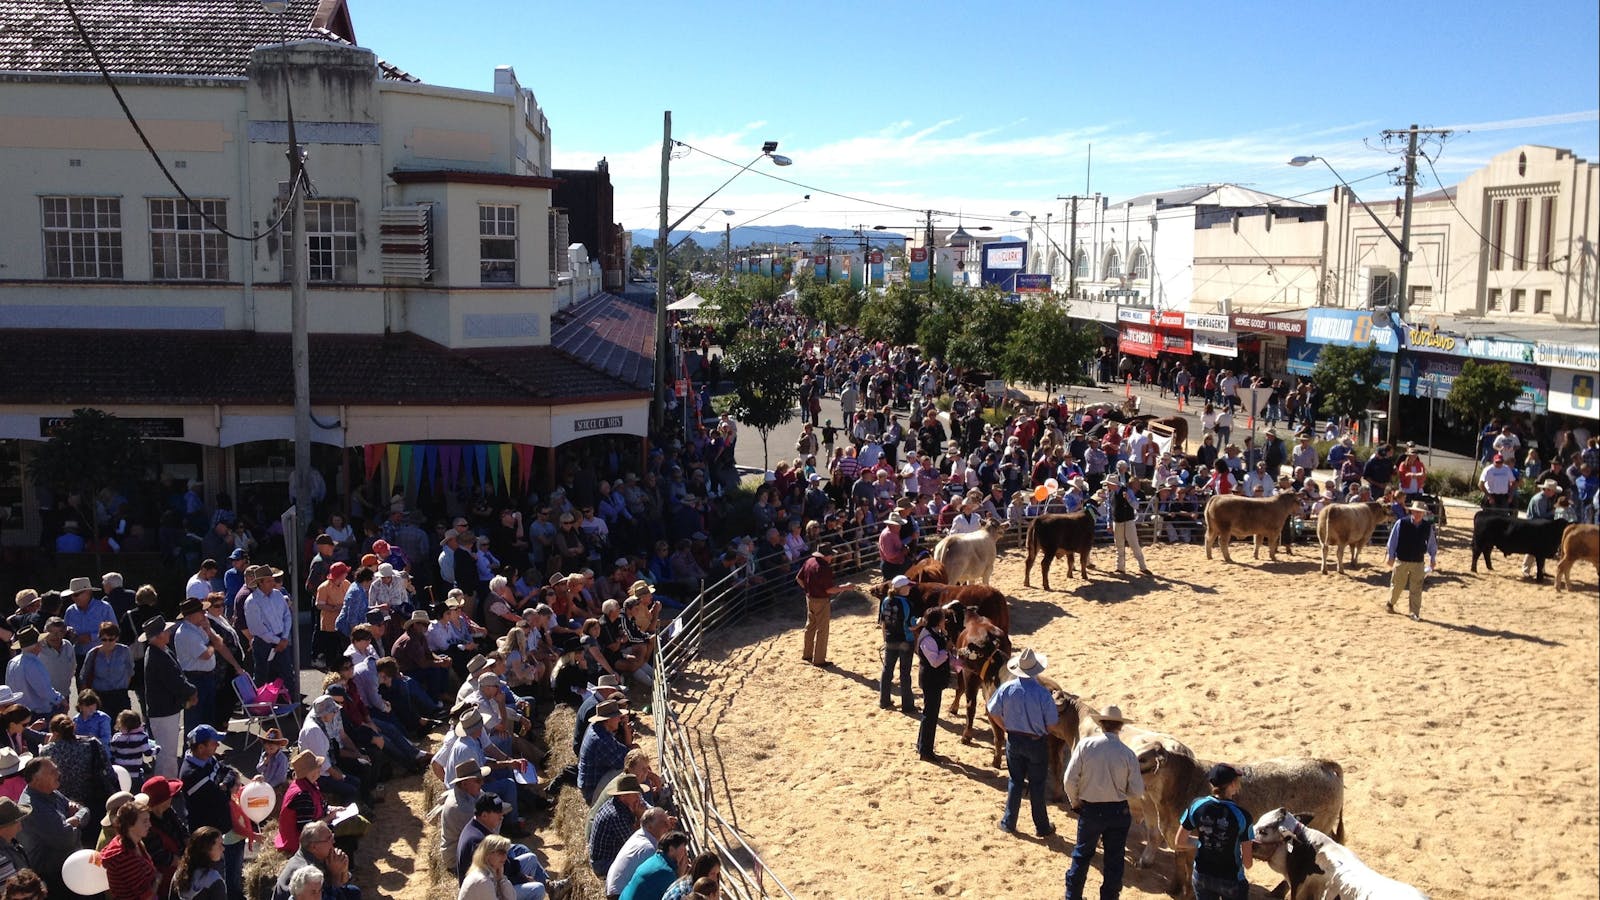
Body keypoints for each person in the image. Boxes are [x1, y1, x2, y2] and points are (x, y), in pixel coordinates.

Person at [1062, 705, 1144, 900]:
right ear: (1120, 727)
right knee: (1114, 860)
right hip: (1117, 811)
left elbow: (1069, 780)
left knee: (1082, 856)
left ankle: (1073, 896)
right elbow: (1137, 790)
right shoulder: (1128, 754)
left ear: (1101, 725)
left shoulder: (1085, 746)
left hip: (1090, 809)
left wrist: (1075, 801)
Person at [987, 648, 1058, 838]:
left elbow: (992, 710)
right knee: (1037, 784)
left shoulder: (1007, 688)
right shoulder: (1043, 694)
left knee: (1015, 781)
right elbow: (1052, 723)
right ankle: (1042, 826)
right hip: (1036, 742)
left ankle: (1009, 822)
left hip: (1015, 740)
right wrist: (1042, 732)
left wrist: (1005, 727)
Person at [179, 724, 249, 896]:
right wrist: (226, 788)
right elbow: (218, 798)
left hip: (221, 829)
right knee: (217, 877)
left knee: (229, 871)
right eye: (214, 743)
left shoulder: (209, 759)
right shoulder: (191, 774)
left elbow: (229, 771)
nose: (218, 746)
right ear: (201, 747)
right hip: (207, 838)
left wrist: (224, 785)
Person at [1176, 764, 1255, 900]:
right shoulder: (1242, 816)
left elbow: (1179, 842)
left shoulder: (1196, 805)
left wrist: (1202, 842)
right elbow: (1248, 863)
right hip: (1231, 879)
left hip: (1201, 875)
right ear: (1232, 785)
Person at [17, 757, 85, 900]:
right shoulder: (33, 807)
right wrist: (74, 822)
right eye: (52, 771)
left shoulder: (52, 793)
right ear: (36, 779)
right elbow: (66, 839)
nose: (58, 773)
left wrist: (75, 820)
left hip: (66, 870)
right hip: (53, 877)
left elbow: (84, 810)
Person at [138, 617, 194, 778]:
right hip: (163, 711)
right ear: (159, 635)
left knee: (167, 751)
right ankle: (167, 786)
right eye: (165, 630)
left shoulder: (161, 650)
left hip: (166, 709)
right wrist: (191, 691)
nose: (169, 632)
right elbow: (175, 680)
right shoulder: (158, 656)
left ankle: (167, 784)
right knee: (167, 753)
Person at [914, 606, 958, 763]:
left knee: (930, 715)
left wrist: (959, 664)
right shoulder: (927, 639)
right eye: (942, 619)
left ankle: (922, 746)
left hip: (935, 680)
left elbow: (946, 657)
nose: (945, 621)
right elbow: (935, 661)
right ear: (938, 621)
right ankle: (926, 751)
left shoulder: (936, 634)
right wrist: (946, 650)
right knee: (930, 716)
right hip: (930, 680)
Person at [795, 544, 849, 668]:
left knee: (810, 626)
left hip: (810, 598)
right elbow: (830, 589)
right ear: (826, 556)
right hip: (821, 601)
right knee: (822, 629)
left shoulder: (809, 561)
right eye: (831, 555)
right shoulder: (824, 568)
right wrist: (846, 587)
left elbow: (799, 578)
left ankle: (807, 653)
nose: (832, 557)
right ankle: (819, 659)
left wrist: (808, 590)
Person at [272, 821, 356, 900]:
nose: (333, 841)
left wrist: (343, 869)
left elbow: (344, 881)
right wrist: (336, 874)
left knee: (354, 891)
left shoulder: (316, 857)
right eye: (329, 838)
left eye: (332, 836)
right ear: (314, 847)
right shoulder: (308, 871)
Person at [1385, 501, 1438, 621]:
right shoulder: (1401, 523)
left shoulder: (1427, 527)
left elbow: (1431, 544)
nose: (1418, 514)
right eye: (1416, 511)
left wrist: (1433, 558)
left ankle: (1414, 612)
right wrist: (1391, 556)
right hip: (1402, 559)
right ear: (1412, 511)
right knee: (1398, 585)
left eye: (1420, 512)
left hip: (1418, 561)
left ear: (1423, 513)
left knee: (1417, 588)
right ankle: (1390, 603)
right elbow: (1392, 541)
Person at [606, 807, 675, 898]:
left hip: (614, 889)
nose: (668, 826)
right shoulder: (649, 849)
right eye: (664, 823)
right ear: (650, 826)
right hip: (619, 894)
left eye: (668, 822)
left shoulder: (640, 835)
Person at [101, 801, 159, 900]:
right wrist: (158, 879)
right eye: (144, 821)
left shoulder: (136, 842)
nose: (149, 825)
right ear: (130, 825)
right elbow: (146, 896)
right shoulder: (124, 858)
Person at [877, 575, 916, 713]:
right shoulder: (907, 603)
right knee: (905, 673)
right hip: (905, 641)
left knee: (887, 670)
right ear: (901, 588)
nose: (910, 588)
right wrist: (921, 622)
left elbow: (883, 622)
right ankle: (908, 705)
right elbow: (911, 625)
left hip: (890, 639)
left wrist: (885, 638)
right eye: (908, 586)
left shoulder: (886, 601)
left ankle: (884, 700)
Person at [80, 621, 134, 721]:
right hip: (100, 696)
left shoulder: (124, 651)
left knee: (124, 725)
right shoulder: (93, 653)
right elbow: (84, 676)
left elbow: (130, 672)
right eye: (104, 639)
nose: (107, 642)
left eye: (111, 639)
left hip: (120, 695)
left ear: (117, 638)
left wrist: (123, 687)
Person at [619, 831, 690, 900]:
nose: (685, 853)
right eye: (683, 849)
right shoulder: (666, 872)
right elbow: (675, 895)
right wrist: (680, 875)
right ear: (671, 849)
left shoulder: (655, 859)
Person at [1109, 477, 1152, 577]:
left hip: (1128, 521)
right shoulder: (1110, 493)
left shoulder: (1127, 491)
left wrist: (1128, 499)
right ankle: (1120, 567)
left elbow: (1136, 505)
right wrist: (1109, 522)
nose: (1107, 486)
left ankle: (1142, 567)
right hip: (1117, 521)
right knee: (1119, 545)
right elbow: (1109, 508)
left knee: (1134, 544)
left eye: (1109, 484)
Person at [173, 827, 229, 900]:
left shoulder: (179, 875)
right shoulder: (214, 880)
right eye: (220, 844)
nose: (223, 848)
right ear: (207, 848)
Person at [459, 834, 516, 900]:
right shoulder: (483, 881)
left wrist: (502, 878)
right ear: (487, 854)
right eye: (501, 852)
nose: (505, 857)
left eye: (506, 852)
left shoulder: (489, 872)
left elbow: (512, 897)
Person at [0, 797, 28, 885]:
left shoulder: (13, 843)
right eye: (16, 821)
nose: (20, 825)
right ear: (4, 828)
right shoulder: (1, 858)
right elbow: (10, 893)